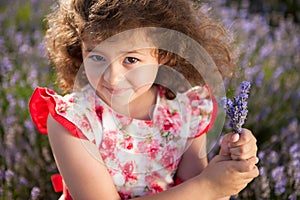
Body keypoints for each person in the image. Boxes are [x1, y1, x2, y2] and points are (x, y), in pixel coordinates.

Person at [29, 0, 259, 199]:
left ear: (164, 55)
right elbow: (201, 190)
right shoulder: (74, 121)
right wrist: (208, 186)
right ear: (79, 48)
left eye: (130, 59)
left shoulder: (186, 109)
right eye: (97, 56)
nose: (113, 77)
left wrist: (227, 170)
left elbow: (200, 193)